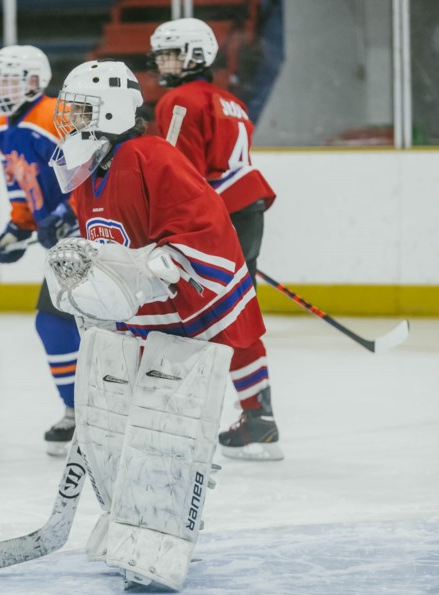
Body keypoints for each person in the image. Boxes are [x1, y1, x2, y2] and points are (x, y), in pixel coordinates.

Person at [41, 59, 270, 590]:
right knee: (116, 430)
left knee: (163, 432)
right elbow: (107, 246)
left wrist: (158, 263)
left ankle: (160, 534)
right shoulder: (89, 167)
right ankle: (131, 519)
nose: (68, 121)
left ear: (110, 111)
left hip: (183, 319)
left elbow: (201, 227)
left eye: (77, 111)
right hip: (136, 322)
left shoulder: (151, 155)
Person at [150, 17, 282, 460]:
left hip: (214, 219)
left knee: (182, 315)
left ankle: (175, 421)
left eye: (171, 52)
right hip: (247, 211)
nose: (162, 61)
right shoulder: (230, 101)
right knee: (235, 317)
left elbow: (176, 175)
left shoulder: (179, 99)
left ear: (195, 56)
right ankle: (259, 419)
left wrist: (160, 231)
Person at [0, 45, 81, 456]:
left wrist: (69, 212)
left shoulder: (57, 115)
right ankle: (80, 411)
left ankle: (92, 412)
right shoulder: (4, 127)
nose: (0, 86)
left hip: (93, 236)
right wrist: (17, 227)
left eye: (11, 77)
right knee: (57, 323)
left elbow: (91, 171)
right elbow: (21, 186)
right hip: (65, 243)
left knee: (68, 322)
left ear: (35, 81)